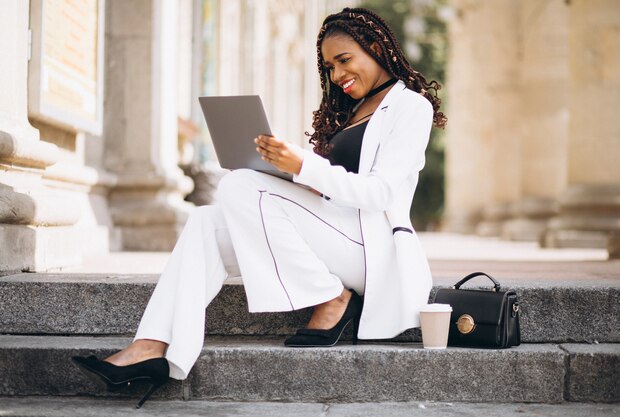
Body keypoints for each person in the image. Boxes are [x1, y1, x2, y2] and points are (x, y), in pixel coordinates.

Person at [72, 7, 447, 409]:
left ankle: (332, 296)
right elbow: (330, 190)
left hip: (371, 249)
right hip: (333, 231)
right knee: (207, 221)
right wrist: (289, 172)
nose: (337, 75)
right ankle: (152, 346)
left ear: (376, 48)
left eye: (344, 61)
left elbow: (379, 194)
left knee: (240, 184)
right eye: (329, 66)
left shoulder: (412, 107)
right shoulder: (350, 110)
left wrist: (304, 165)